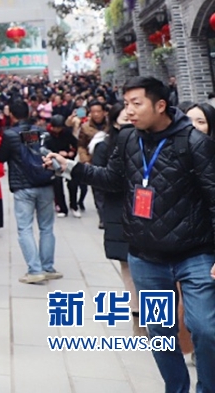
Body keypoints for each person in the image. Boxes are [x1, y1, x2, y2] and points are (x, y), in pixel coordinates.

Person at [49, 77, 215, 393]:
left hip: (194, 255)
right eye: (126, 104)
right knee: (160, 332)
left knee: (205, 329)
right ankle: (176, 388)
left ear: (160, 105)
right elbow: (112, 179)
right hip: (145, 257)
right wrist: (70, 167)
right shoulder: (127, 139)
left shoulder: (194, 142)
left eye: (136, 103)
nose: (129, 111)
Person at [0, 98, 61, 284]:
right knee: (46, 227)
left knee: (25, 228)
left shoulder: (10, 134)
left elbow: (0, 156)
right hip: (44, 183)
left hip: (23, 187)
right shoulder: (40, 132)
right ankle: (48, 267)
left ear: (12, 114)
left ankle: (35, 270)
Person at [90, 104, 136, 304]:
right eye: (124, 121)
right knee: (127, 266)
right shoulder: (105, 146)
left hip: (146, 212)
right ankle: (137, 316)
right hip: (117, 211)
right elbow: (99, 181)